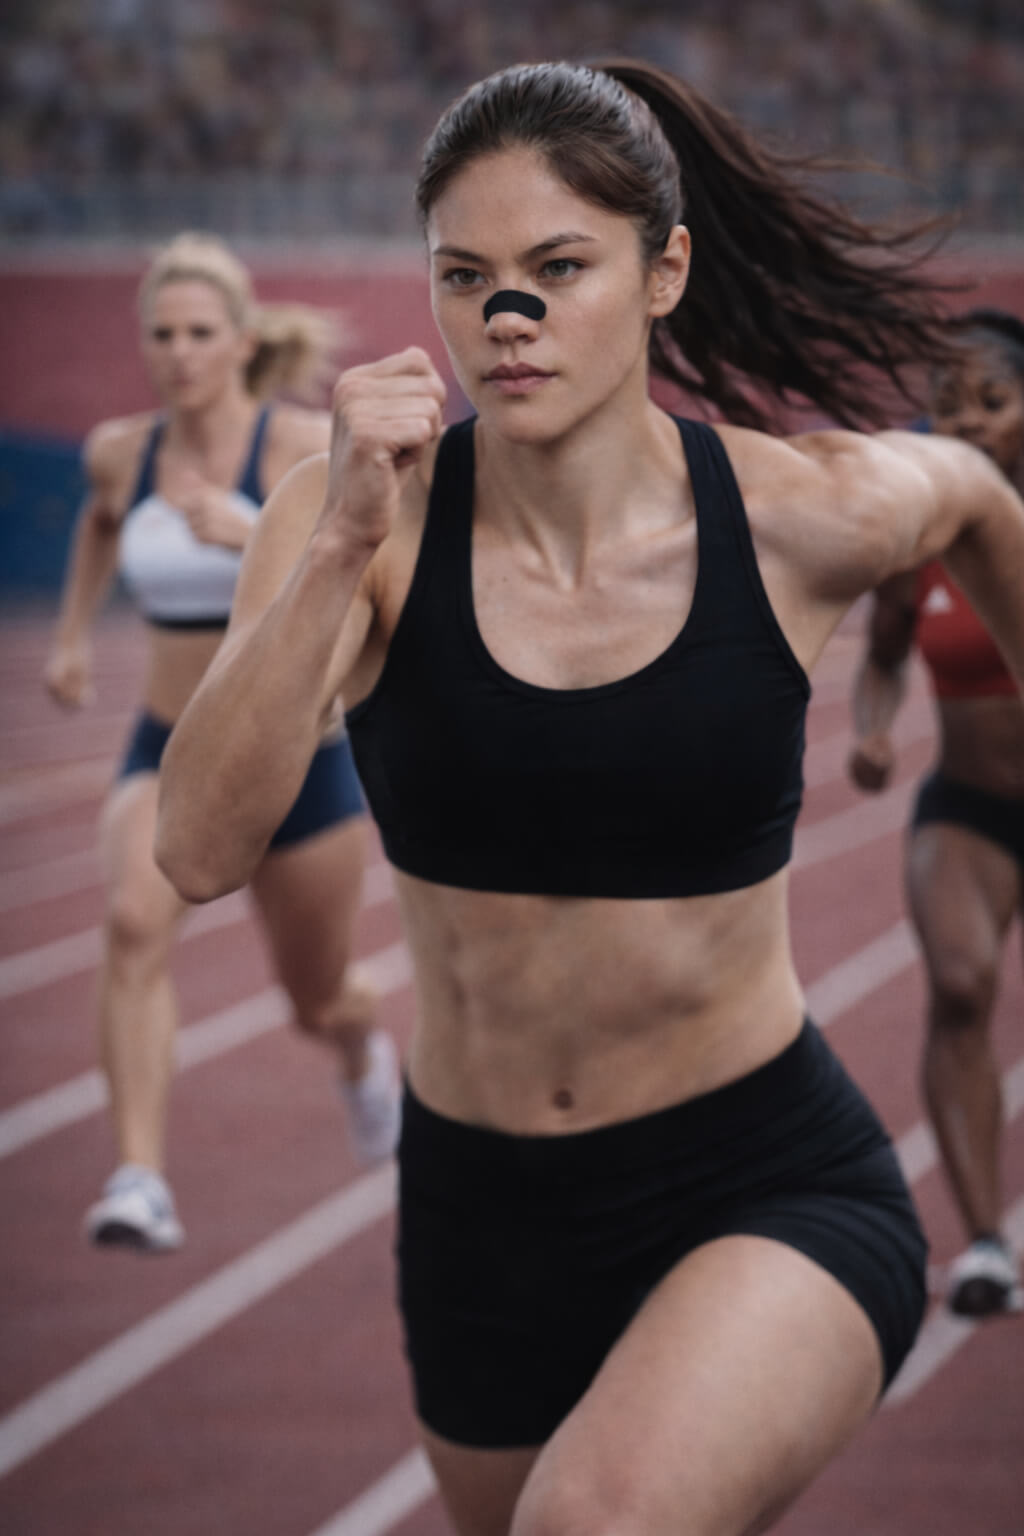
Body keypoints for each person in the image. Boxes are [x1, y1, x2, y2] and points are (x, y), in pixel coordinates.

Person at [156, 63, 1024, 1536]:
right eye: (467, 276)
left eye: (560, 268)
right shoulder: (355, 525)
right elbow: (194, 849)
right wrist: (341, 539)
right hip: (479, 1218)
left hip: (762, 1177)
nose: (512, 317)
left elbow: (978, 497)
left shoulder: (799, 511)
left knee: (596, 1524)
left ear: (662, 270)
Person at [43, 232, 401, 1255]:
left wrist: (240, 533)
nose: (179, 352)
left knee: (315, 996)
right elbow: (102, 524)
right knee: (129, 924)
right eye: (161, 334)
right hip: (162, 740)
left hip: (297, 754)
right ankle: (139, 1179)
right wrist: (72, 633)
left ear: (242, 340)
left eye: (200, 332)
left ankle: (360, 1048)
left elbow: (368, 559)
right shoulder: (122, 452)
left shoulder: (293, 449)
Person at [849, 308, 1024, 1319]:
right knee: (959, 986)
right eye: (944, 407)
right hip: (969, 808)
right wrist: (871, 731)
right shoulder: (925, 534)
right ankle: (988, 1244)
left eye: (991, 403)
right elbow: (877, 662)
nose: (965, 426)